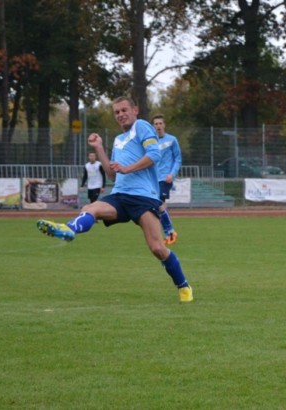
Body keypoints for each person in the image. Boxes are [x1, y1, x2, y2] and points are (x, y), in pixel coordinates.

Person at [36, 97, 193, 303]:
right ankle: (68, 230)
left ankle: (183, 286)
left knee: (157, 248)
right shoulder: (119, 140)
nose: (120, 114)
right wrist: (100, 148)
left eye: (124, 110)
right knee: (90, 207)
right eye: (116, 112)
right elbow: (112, 175)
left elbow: (154, 155)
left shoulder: (142, 126)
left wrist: (128, 168)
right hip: (120, 196)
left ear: (135, 110)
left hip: (144, 197)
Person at [151, 114, 182, 245]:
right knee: (158, 207)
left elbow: (178, 159)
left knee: (159, 203)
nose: (158, 126)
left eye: (160, 123)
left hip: (165, 178)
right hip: (152, 179)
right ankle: (168, 233)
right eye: (155, 124)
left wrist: (172, 173)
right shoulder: (150, 142)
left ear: (164, 125)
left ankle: (170, 232)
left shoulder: (172, 140)